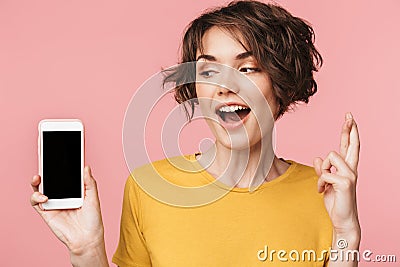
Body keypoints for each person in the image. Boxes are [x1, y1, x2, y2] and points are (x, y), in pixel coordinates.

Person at [30, 1, 361, 266]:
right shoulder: (150, 188)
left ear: (281, 85)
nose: (226, 86)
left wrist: (346, 232)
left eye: (247, 68)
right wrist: (87, 251)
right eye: (210, 70)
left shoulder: (324, 195)